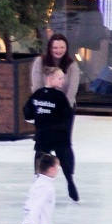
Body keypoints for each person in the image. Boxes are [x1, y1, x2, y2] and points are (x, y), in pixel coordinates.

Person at [23, 66, 79, 202]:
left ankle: (38, 182)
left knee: (40, 158)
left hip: (43, 134)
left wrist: (37, 118)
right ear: (50, 79)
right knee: (65, 159)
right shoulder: (60, 97)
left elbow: (27, 112)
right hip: (59, 135)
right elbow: (67, 115)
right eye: (60, 78)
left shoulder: (37, 94)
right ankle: (70, 181)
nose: (63, 81)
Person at [31, 33, 81, 105]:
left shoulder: (72, 65)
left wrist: (64, 109)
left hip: (65, 105)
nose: (59, 50)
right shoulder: (40, 62)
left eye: (62, 47)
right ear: (50, 48)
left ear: (66, 48)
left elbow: (72, 91)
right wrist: (44, 104)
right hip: (44, 104)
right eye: (55, 48)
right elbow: (37, 86)